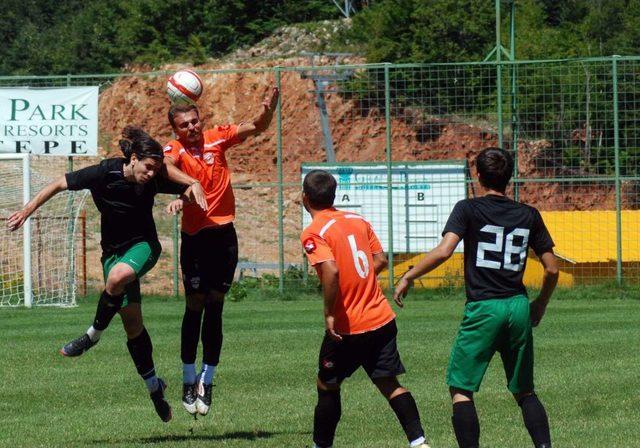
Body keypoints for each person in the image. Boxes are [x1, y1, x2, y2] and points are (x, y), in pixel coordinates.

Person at [7, 126, 207, 423]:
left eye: (156, 169)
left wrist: (185, 197)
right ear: (134, 159)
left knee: (115, 279)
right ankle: (155, 388)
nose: (152, 174)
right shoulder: (104, 173)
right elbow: (59, 183)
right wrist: (27, 210)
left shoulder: (154, 177)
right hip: (111, 253)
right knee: (133, 327)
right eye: (148, 167)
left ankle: (92, 336)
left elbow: (190, 188)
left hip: (143, 247)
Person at [394, 147, 559, 448]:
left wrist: (409, 275)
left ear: (478, 176)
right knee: (524, 391)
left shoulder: (468, 209)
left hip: (484, 308)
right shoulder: (529, 215)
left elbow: (445, 251)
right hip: (518, 307)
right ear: (509, 178)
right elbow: (552, 269)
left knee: (461, 388)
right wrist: (540, 304)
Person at [163, 86, 279, 416]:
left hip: (224, 238)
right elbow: (165, 167)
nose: (192, 128)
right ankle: (188, 377)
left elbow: (255, 127)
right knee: (194, 306)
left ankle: (207, 379)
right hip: (195, 240)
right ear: (176, 129)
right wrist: (189, 185)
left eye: (195, 121)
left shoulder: (217, 138)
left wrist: (267, 111)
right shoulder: (175, 150)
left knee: (216, 307)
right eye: (185, 125)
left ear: (202, 120)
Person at [300, 169, 430, 448]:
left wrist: (330, 313)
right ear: (334, 196)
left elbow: (332, 272)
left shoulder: (313, 231)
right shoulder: (357, 220)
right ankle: (419, 442)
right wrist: (360, 280)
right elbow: (380, 259)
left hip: (349, 325)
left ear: (304, 198)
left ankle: (321, 445)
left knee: (327, 383)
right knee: (389, 384)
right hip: (381, 318)